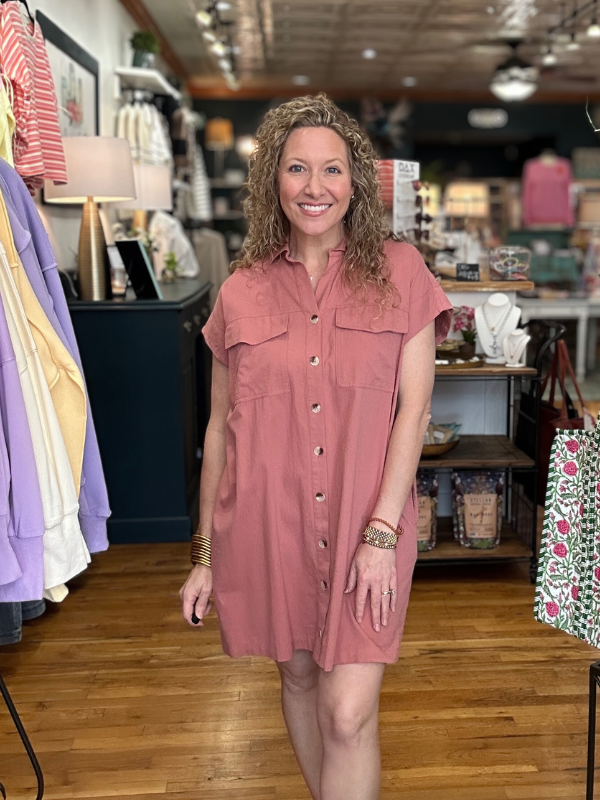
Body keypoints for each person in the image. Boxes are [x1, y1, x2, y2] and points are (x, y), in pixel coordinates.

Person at [180, 93, 452, 800]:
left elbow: (414, 408)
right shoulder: (240, 292)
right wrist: (205, 554)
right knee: (299, 678)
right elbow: (219, 431)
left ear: (354, 181)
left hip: (371, 525)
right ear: (273, 178)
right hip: (269, 529)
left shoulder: (402, 272)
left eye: (332, 170)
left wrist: (383, 532)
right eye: (297, 168)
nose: (315, 187)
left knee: (348, 708)